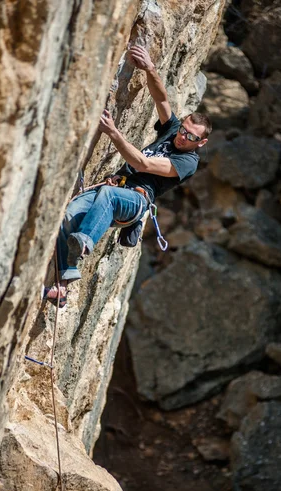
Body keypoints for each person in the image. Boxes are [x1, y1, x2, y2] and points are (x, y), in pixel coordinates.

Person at [44, 45, 211, 307]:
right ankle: (62, 284)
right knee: (68, 215)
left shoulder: (188, 161)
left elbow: (142, 163)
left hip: (135, 200)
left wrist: (113, 132)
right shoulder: (174, 131)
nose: (183, 137)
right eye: (184, 129)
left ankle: (85, 241)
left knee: (109, 197)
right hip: (114, 188)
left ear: (200, 143)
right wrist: (150, 68)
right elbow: (162, 99)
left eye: (191, 136)